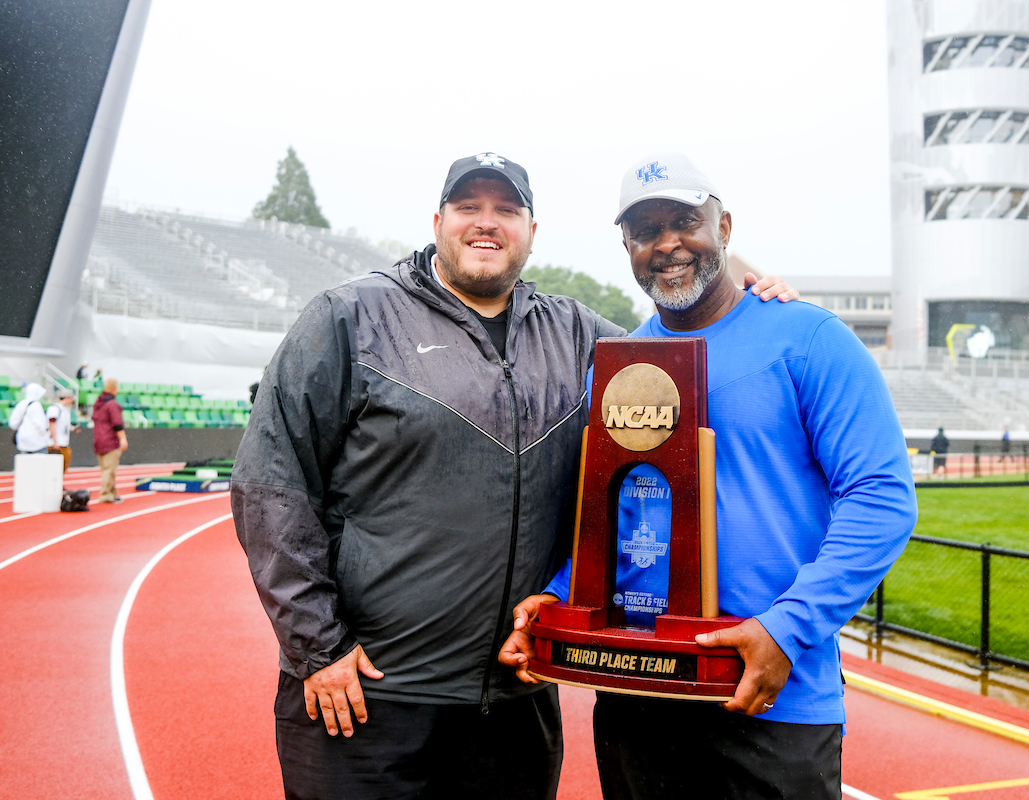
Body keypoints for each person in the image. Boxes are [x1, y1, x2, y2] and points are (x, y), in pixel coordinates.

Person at [231, 152, 797, 800]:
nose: (486, 223)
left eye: (506, 209)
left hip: (513, 706)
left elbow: (680, 357)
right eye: (469, 207)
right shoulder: (349, 318)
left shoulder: (578, 333)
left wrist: (749, 285)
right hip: (370, 696)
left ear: (532, 231)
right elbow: (271, 485)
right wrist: (318, 648)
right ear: (438, 220)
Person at [501, 153, 917, 800]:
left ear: (725, 229)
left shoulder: (809, 339)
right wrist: (561, 596)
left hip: (767, 693)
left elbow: (882, 498)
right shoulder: (617, 363)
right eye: (645, 231)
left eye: (685, 221)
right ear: (627, 247)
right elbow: (619, 511)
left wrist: (788, 629)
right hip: (638, 690)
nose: (667, 244)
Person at [92, 378, 127, 503]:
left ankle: (113, 493)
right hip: (110, 440)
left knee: (106, 469)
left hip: (98, 439)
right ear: (115, 388)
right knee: (110, 470)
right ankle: (105, 494)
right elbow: (117, 423)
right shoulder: (112, 404)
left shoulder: (98, 403)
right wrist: (123, 439)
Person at [9, 383, 52, 454]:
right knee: (41, 464)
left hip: (22, 441)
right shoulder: (36, 405)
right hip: (37, 441)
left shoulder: (21, 404)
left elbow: (13, 424)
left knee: (24, 464)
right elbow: (39, 425)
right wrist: (47, 439)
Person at [46, 392, 78, 473]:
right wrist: (55, 440)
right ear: (66, 397)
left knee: (63, 465)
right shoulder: (54, 409)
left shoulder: (65, 410)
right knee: (54, 467)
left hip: (63, 442)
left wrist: (74, 428)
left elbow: (64, 425)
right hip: (55, 443)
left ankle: (58, 483)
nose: (72, 401)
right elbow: (51, 425)